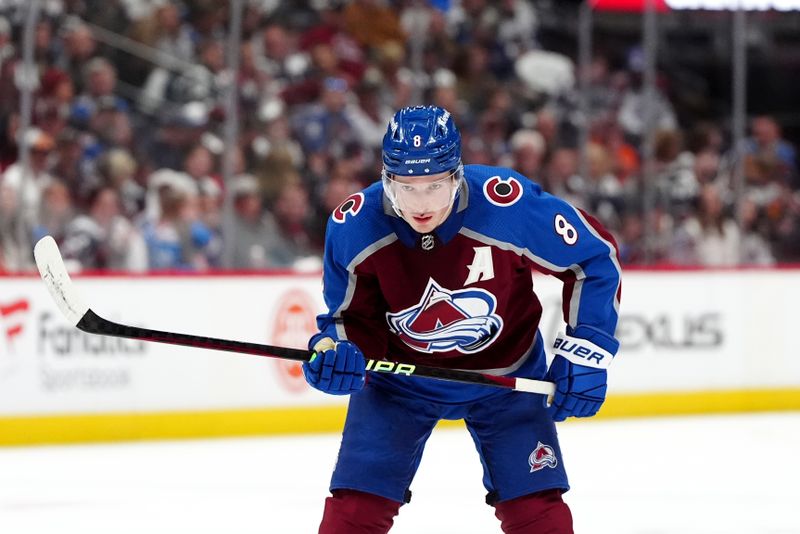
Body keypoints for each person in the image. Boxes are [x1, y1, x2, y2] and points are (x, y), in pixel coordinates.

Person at [302, 105, 622, 533]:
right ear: (385, 178)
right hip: (400, 381)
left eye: (434, 186)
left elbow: (593, 260)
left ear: (457, 174)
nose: (421, 204)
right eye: (406, 187)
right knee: (355, 511)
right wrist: (335, 351)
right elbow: (345, 320)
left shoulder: (507, 204)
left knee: (536, 513)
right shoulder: (354, 225)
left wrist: (588, 348)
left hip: (506, 377)